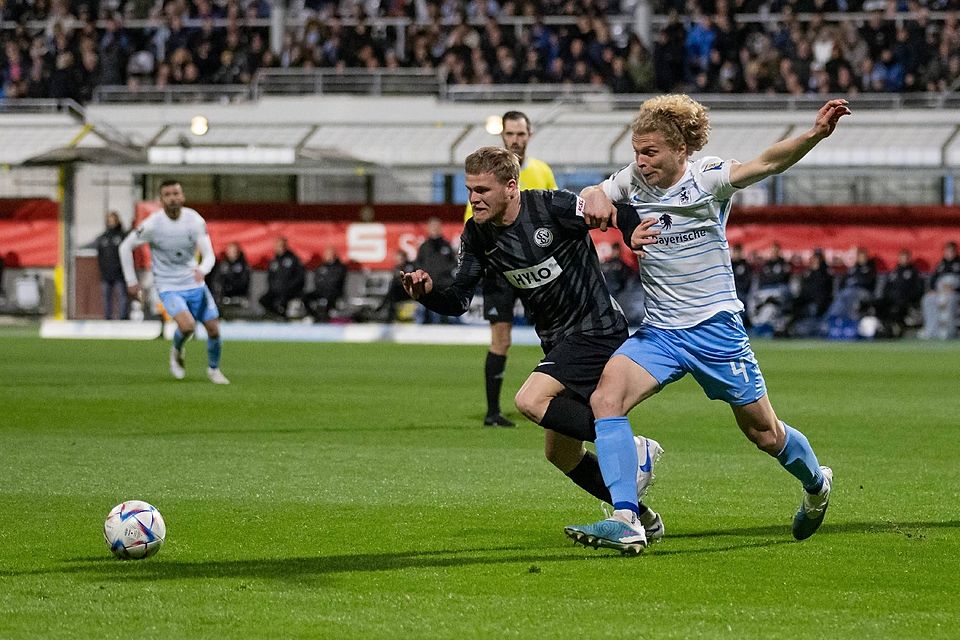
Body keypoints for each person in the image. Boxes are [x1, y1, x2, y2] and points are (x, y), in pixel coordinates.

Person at [566, 95, 850, 553]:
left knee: (764, 433)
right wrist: (605, 203)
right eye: (637, 151)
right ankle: (625, 516)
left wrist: (814, 135)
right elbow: (591, 197)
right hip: (660, 332)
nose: (641, 160)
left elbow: (766, 163)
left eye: (651, 152)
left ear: (680, 149)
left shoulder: (708, 178)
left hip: (715, 330)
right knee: (607, 397)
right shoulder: (633, 178)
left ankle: (817, 484)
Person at [401, 146, 665, 551]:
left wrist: (630, 232)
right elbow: (458, 300)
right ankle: (638, 517)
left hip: (596, 328)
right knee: (560, 453)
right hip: (559, 340)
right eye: (470, 190)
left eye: (482, 190)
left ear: (511, 187)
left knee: (530, 399)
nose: (474, 199)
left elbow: (611, 210)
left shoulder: (552, 207)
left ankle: (632, 450)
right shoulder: (477, 233)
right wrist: (428, 293)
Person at [466, 111, 559, 428]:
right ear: (502, 137)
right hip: (501, 272)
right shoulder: (486, 178)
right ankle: (493, 412)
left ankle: (558, 396)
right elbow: (475, 222)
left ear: (529, 135)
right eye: (510, 134)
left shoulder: (542, 172)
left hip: (539, 272)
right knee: (500, 340)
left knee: (557, 335)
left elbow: (554, 217)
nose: (515, 140)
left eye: (520, 134)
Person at [119, 179, 229, 384]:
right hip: (168, 285)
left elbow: (209, 254)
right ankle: (177, 350)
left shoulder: (194, 220)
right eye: (168, 194)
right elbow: (125, 247)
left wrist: (203, 269)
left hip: (194, 283)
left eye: (176, 193)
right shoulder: (152, 224)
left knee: (213, 328)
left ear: (183, 196)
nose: (173, 198)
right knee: (187, 326)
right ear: (161, 200)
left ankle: (214, 370)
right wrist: (131, 281)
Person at [414, 217, 458, 325]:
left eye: (436, 227)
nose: (434, 229)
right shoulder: (424, 247)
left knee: (446, 312)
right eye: (432, 227)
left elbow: (454, 263)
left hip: (444, 285)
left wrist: (445, 275)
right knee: (424, 310)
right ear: (428, 228)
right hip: (427, 285)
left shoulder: (446, 245)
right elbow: (418, 264)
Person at [879, 248, 924, 338]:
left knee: (898, 307)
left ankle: (897, 329)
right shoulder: (894, 272)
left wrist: (909, 296)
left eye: (906, 258)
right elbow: (886, 288)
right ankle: (883, 328)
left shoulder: (914, 272)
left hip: (906, 300)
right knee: (880, 305)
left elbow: (918, 289)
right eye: (902, 257)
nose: (904, 260)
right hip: (892, 299)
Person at [259, 237, 305, 320]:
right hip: (276, 290)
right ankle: (278, 315)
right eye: (278, 246)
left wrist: (289, 287)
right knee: (263, 300)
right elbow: (270, 277)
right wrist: (272, 288)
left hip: (290, 291)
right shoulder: (274, 261)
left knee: (281, 301)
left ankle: (283, 317)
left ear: (286, 246)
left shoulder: (293, 259)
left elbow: (300, 277)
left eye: (282, 245)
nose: (280, 247)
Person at [96, 211, 128, 320]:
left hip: (120, 273)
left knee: (121, 297)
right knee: (106, 298)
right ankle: (107, 318)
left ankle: (123, 318)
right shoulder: (103, 238)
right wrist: (102, 269)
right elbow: (100, 256)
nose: (111, 223)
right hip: (106, 274)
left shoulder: (122, 236)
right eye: (109, 220)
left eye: (113, 220)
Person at [303, 246, 347, 322]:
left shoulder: (340, 267)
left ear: (335, 255)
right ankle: (313, 315)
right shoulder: (321, 267)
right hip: (321, 290)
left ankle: (326, 317)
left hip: (334, 291)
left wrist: (325, 283)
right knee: (305, 296)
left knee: (330, 297)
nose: (328, 256)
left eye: (330, 254)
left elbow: (336, 281)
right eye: (326, 254)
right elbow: (317, 279)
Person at [213, 241, 251, 307]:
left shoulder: (243, 265)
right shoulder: (222, 264)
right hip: (223, 294)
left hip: (238, 294)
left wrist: (231, 287)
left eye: (234, 251)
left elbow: (244, 281)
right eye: (230, 251)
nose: (232, 253)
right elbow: (216, 280)